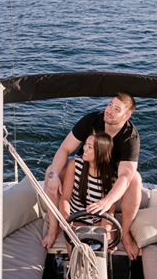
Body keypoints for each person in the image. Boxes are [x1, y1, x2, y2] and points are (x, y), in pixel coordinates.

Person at [42, 92, 142, 261]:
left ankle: (124, 234)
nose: (109, 110)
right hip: (85, 165)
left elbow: (125, 175)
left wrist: (108, 201)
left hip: (112, 176)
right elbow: (65, 149)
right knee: (50, 172)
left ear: (126, 115)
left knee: (135, 179)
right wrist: (54, 175)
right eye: (110, 104)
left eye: (116, 109)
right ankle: (54, 228)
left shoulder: (130, 137)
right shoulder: (91, 120)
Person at [59, 130, 117, 257]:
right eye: (85, 144)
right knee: (76, 253)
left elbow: (109, 211)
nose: (84, 148)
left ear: (100, 151)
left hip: (98, 221)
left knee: (103, 249)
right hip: (76, 219)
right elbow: (65, 197)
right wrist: (65, 218)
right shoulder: (75, 164)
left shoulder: (112, 176)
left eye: (89, 147)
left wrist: (106, 233)